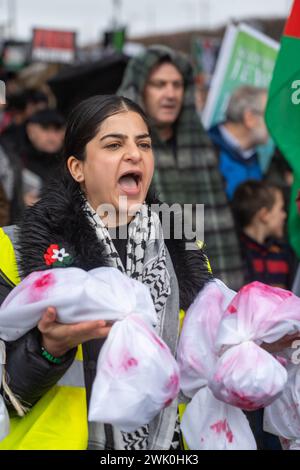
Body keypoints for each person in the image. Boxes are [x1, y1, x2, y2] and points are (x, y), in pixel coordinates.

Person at [0, 94, 212, 450]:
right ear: (77, 168)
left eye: (143, 144)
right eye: (114, 144)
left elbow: (200, 377)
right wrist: (49, 349)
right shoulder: (13, 251)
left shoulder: (188, 254)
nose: (135, 154)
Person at [118, 45, 244, 291]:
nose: (170, 94)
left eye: (177, 85)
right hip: (147, 286)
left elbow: (214, 222)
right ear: (139, 89)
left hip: (214, 279)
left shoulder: (202, 145)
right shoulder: (118, 149)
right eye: (159, 84)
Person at [232, 180, 296, 290]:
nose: (284, 215)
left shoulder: (283, 253)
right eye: (281, 209)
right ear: (264, 215)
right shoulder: (236, 254)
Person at [209, 86, 268, 200]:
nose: (273, 125)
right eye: (268, 116)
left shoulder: (253, 158)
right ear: (249, 118)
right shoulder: (205, 150)